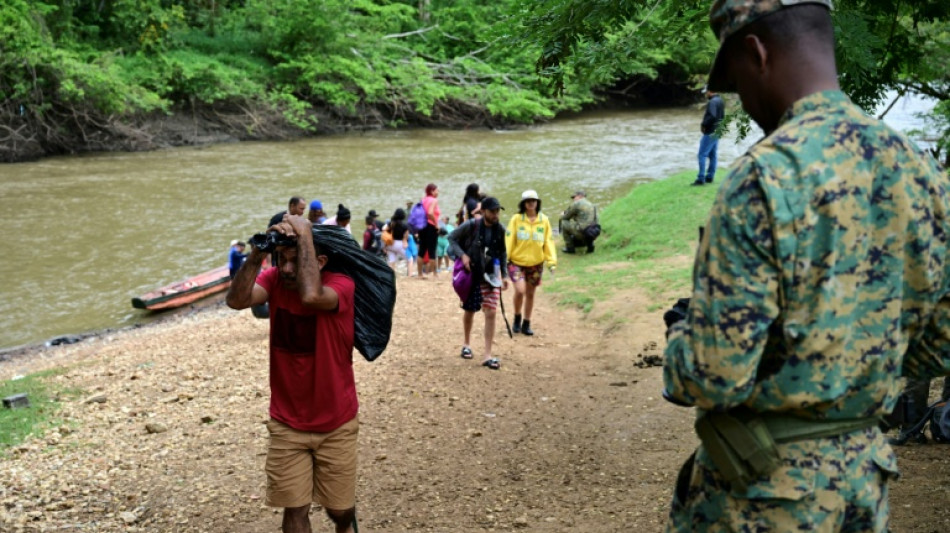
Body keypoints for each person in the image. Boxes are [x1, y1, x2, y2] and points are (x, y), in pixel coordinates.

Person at [661, 2, 949, 532]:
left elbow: (712, 376)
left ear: (756, 52)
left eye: (736, 80)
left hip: (764, 493)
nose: (742, 101)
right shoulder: (920, 171)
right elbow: (939, 343)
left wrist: (683, 336)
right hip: (864, 483)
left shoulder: (765, 177)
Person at [225, 214, 360, 533]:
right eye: (280, 260)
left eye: (294, 261)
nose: (285, 269)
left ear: (319, 260)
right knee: (294, 510)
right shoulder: (274, 280)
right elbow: (236, 300)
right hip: (287, 422)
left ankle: (345, 525)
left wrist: (306, 236)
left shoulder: (341, 286)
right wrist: (258, 253)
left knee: (339, 510)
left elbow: (312, 296)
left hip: (336, 423)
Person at [447, 196, 509, 370]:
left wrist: (504, 275)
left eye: (498, 211)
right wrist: (463, 255)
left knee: (491, 312)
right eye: (492, 211)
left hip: (492, 275)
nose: (496, 214)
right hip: (472, 274)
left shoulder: (501, 230)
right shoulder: (471, 225)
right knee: (470, 310)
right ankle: (466, 344)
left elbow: (503, 253)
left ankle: (487, 354)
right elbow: (451, 238)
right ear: (483, 212)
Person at [505, 190, 556, 336]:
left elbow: (548, 242)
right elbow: (509, 240)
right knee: (520, 290)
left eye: (534, 200)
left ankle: (526, 323)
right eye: (528, 201)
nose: (531, 203)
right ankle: (516, 317)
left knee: (531, 293)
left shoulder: (544, 220)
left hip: (536, 263)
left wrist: (551, 262)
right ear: (524, 204)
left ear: (537, 202)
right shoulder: (516, 219)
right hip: (516, 262)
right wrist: (505, 259)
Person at [691, 87, 725, 186]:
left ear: (710, 91)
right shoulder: (720, 101)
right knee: (713, 155)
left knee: (702, 154)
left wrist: (704, 125)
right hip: (717, 130)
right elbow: (722, 117)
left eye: (706, 92)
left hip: (710, 131)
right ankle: (710, 177)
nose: (705, 94)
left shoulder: (712, 102)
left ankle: (701, 179)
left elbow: (712, 115)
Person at [418, 183, 441, 279]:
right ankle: (434, 274)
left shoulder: (423, 200)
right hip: (431, 226)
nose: (438, 192)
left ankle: (420, 274)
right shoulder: (434, 200)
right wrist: (436, 224)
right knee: (432, 249)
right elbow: (430, 212)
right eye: (437, 190)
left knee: (422, 249)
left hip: (422, 226)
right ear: (432, 191)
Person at [384, 208, 411, 276]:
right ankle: (409, 275)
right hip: (399, 244)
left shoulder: (390, 223)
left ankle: (390, 276)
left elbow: (384, 231)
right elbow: (406, 235)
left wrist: (385, 245)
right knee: (410, 259)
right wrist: (405, 241)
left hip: (390, 244)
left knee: (391, 261)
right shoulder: (404, 225)